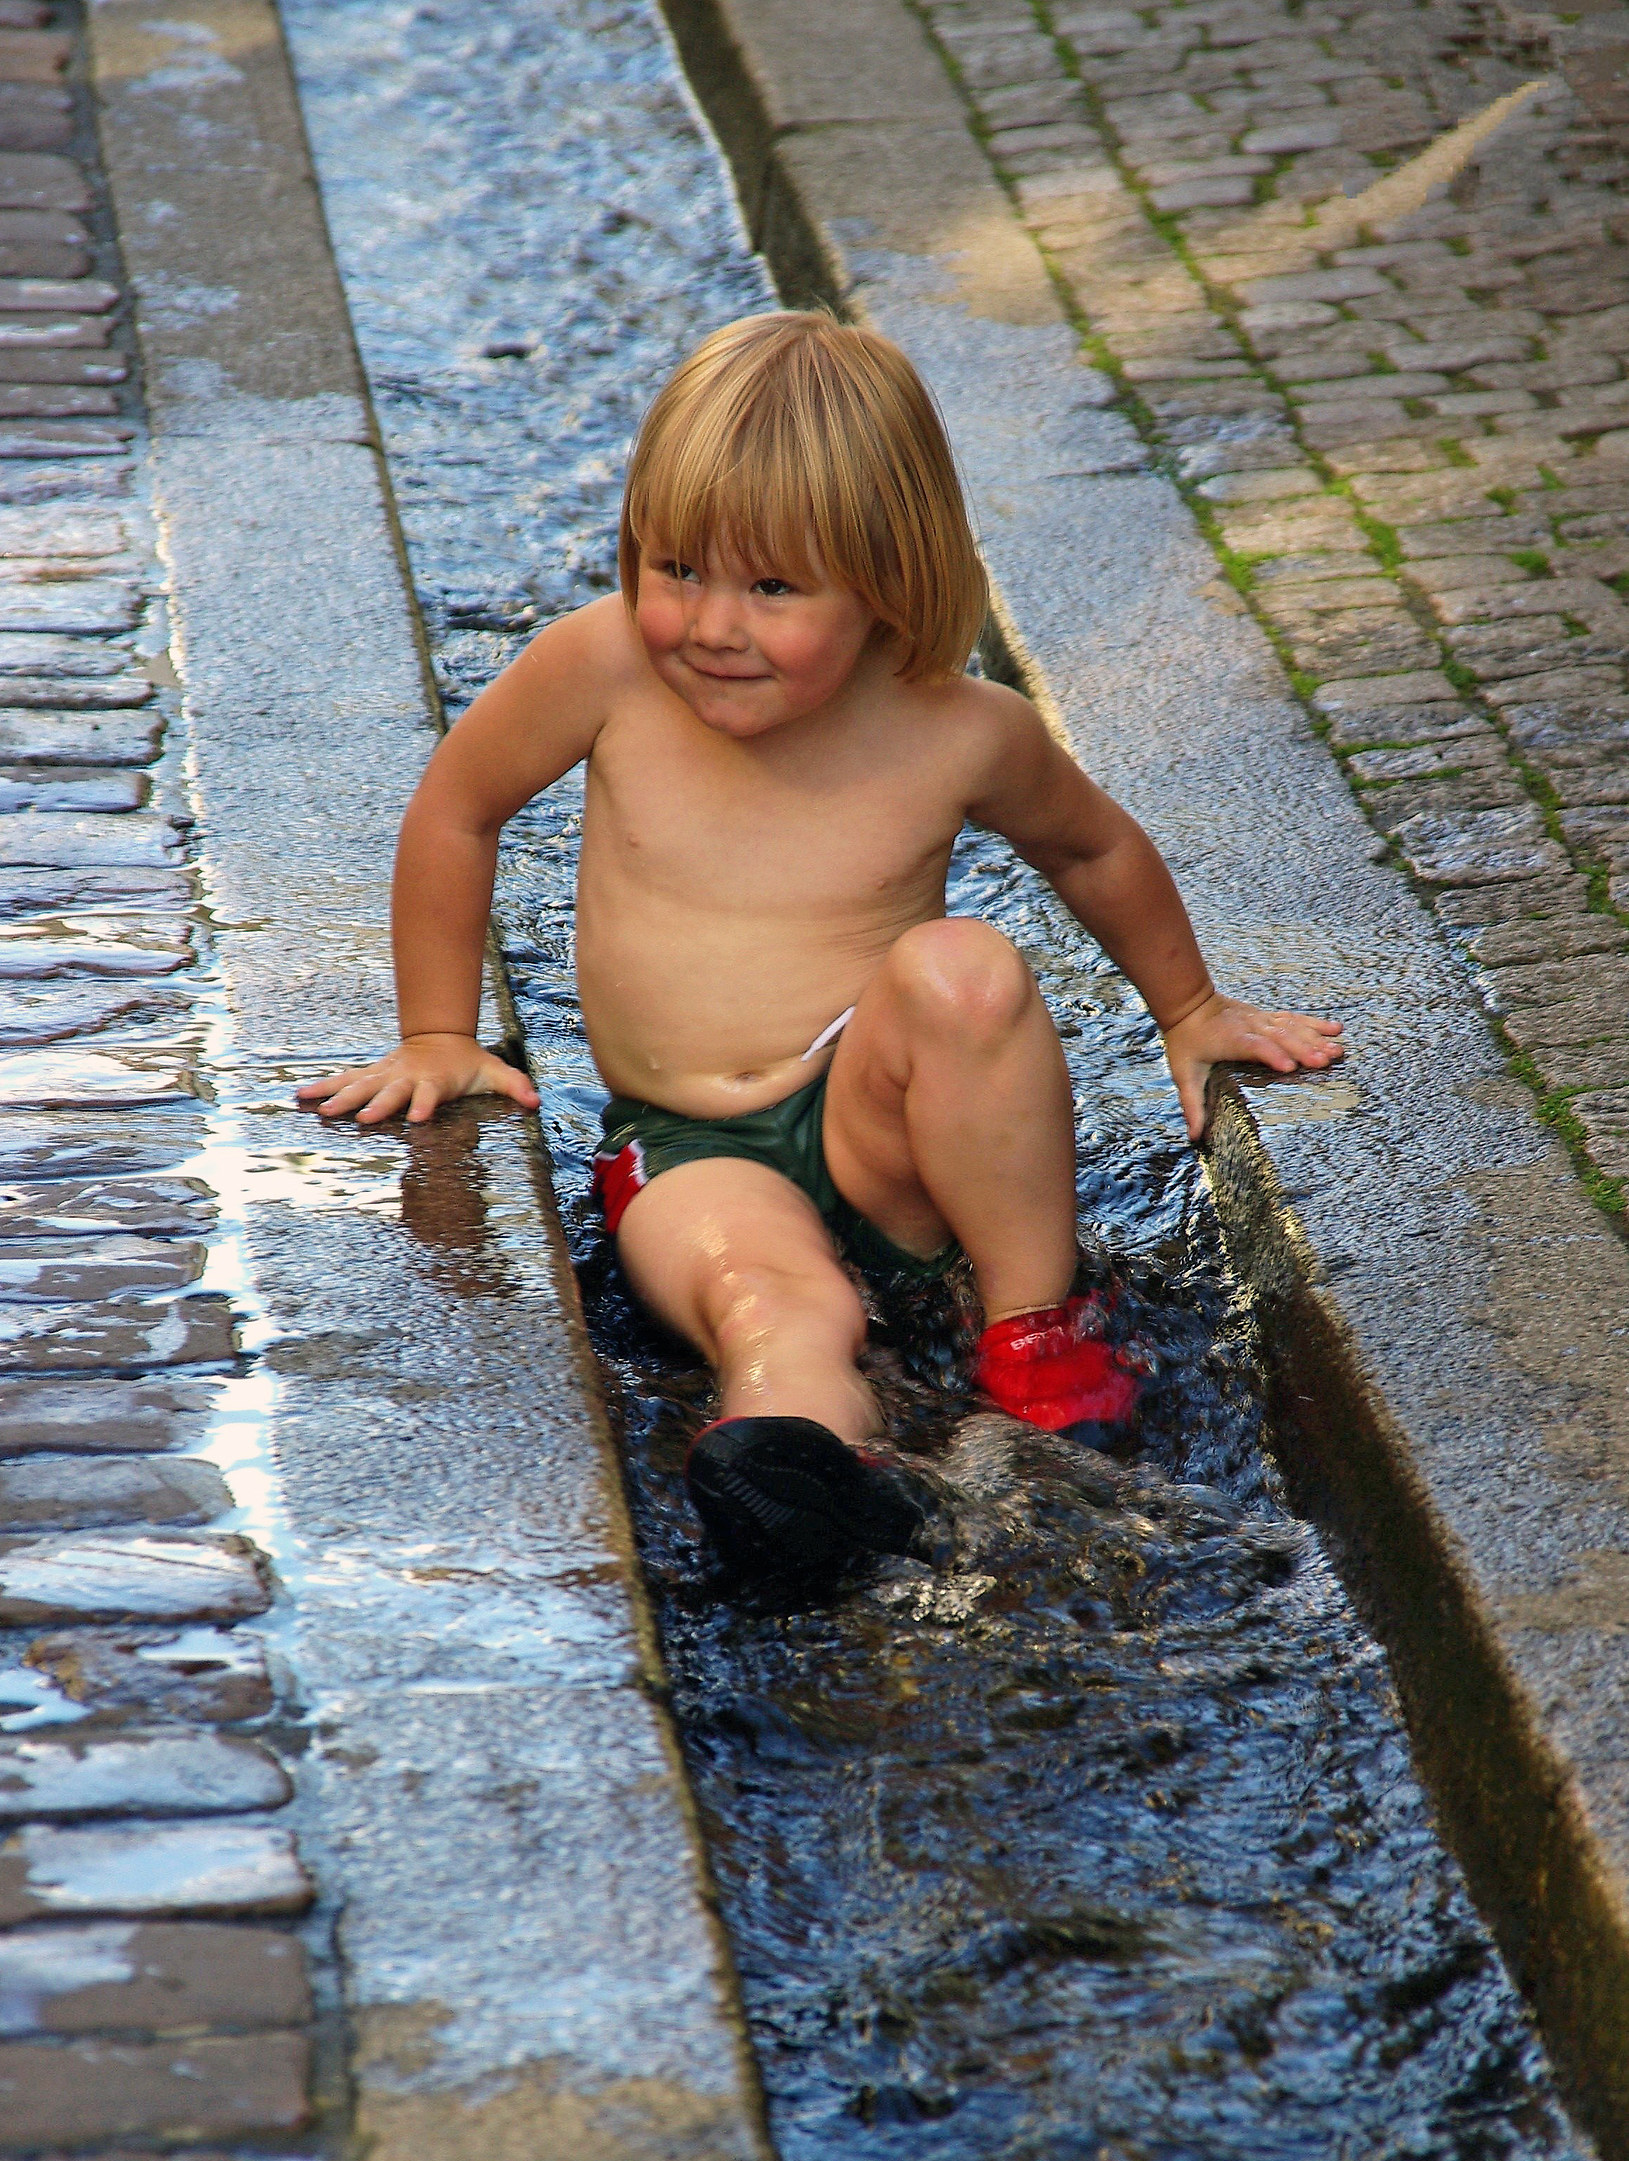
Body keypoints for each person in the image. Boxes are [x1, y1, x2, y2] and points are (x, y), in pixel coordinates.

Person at [300, 312, 1342, 1572]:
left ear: (885, 579)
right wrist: (438, 1033)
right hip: (694, 1152)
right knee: (780, 1305)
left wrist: (1188, 1009)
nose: (712, 624)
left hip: (879, 1129)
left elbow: (1091, 850)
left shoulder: (957, 727)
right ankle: (806, 1485)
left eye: (774, 588)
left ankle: (1033, 1331)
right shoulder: (606, 667)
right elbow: (458, 806)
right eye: (676, 568)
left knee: (964, 968)